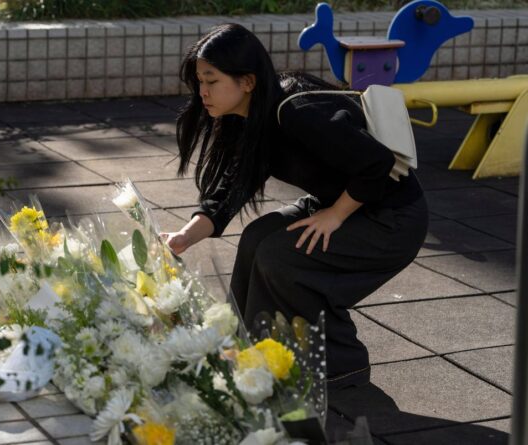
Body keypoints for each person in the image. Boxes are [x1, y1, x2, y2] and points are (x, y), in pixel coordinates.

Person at [160, 23, 428, 390]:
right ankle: (246, 350)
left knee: (281, 256)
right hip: (347, 203)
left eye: (212, 81)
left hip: (390, 217)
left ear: (248, 81)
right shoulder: (248, 117)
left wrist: (334, 216)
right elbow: (231, 189)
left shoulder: (295, 110)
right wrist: (184, 237)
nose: (202, 93)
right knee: (257, 237)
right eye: (199, 83)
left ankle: (340, 366)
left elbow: (376, 164)